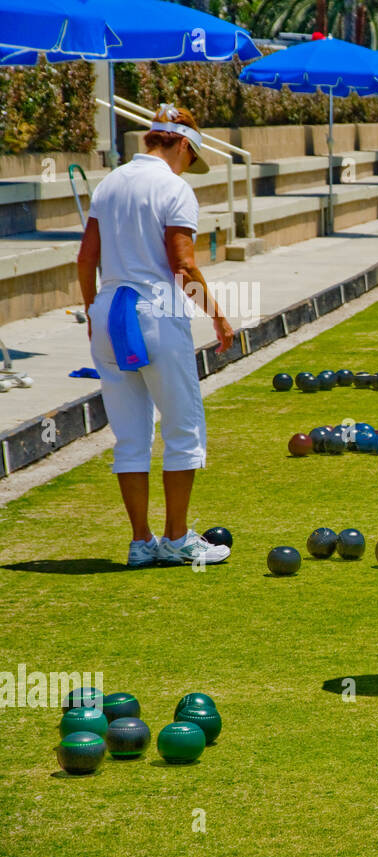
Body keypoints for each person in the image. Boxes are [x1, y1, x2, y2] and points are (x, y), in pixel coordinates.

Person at [75, 104, 233, 568]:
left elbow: (86, 259)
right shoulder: (174, 188)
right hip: (155, 314)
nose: (189, 166)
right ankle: (178, 538)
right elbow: (182, 264)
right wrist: (218, 316)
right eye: (191, 156)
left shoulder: (110, 182)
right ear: (183, 143)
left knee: (130, 436)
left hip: (108, 310)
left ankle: (140, 542)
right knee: (183, 428)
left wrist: (91, 312)